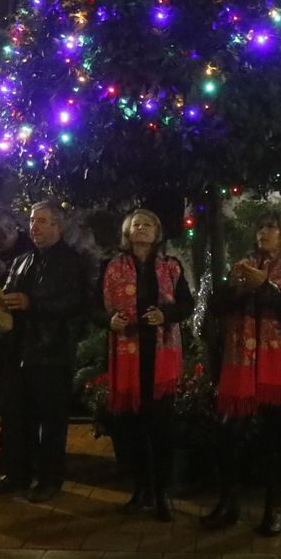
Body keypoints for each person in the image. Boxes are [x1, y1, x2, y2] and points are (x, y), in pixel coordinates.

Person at [204, 206, 281, 536]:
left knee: (274, 441)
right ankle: (229, 504)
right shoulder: (243, 266)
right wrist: (239, 287)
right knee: (227, 433)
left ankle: (274, 510)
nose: (263, 233)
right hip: (240, 364)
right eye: (260, 227)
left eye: (271, 227)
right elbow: (216, 305)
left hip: (278, 369)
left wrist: (265, 286)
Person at [0, 200, 88, 500]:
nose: (34, 227)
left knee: (51, 421)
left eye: (42, 221)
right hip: (18, 349)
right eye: (32, 220)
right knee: (18, 418)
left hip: (51, 351)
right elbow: (8, 298)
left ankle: (50, 480)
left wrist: (33, 304)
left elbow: (74, 302)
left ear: (59, 225)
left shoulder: (71, 261)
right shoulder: (22, 260)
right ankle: (17, 474)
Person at [100, 208, 193, 521]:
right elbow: (94, 305)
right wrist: (108, 320)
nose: (141, 228)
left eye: (148, 224)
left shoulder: (171, 266)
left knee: (162, 427)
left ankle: (163, 492)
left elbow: (186, 305)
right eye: (136, 223)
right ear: (127, 230)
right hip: (127, 354)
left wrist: (166, 315)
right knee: (133, 429)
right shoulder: (111, 266)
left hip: (160, 354)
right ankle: (141, 489)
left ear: (157, 232)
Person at [0, 206, 33, 473]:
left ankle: (22, 459)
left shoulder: (31, 252)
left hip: (24, 342)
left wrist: (4, 275)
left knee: (21, 403)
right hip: (0, 340)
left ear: (12, 227)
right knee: (5, 401)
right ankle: (8, 454)